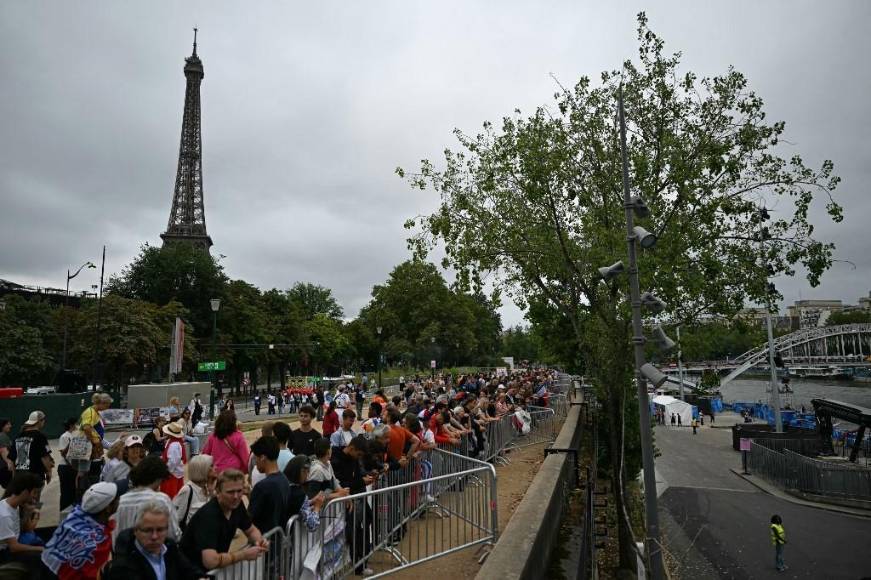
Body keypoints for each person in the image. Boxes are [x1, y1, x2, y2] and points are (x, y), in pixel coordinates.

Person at [179, 469, 269, 574]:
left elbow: (251, 530)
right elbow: (210, 561)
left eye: (239, 491)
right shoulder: (209, 516)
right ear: (218, 492)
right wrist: (244, 555)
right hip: (190, 572)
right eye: (230, 492)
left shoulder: (237, 506)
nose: (236, 497)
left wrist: (260, 542)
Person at [104, 500, 204, 580]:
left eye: (160, 530)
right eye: (148, 530)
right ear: (135, 530)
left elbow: (189, 571)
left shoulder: (169, 547)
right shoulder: (123, 564)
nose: (154, 537)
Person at [42, 481, 119, 579]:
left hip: (49, 571)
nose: (120, 500)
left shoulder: (74, 515)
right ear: (108, 508)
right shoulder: (100, 543)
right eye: (117, 498)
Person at [331, 436, 374, 576]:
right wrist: (361, 481)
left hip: (359, 500)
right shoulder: (336, 459)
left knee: (364, 529)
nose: (358, 457)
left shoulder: (354, 458)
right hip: (348, 504)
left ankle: (362, 563)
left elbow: (357, 476)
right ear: (352, 448)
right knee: (354, 535)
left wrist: (367, 475)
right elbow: (342, 484)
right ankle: (358, 566)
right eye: (359, 454)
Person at [114, 455, 181, 542]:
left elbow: (114, 534)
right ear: (158, 478)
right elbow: (173, 534)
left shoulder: (121, 501)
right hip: (154, 550)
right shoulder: (161, 500)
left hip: (124, 552)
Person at [249, 437, 292, 535]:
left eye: (256, 458)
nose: (255, 463)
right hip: (279, 538)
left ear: (263, 457)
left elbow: (250, 517)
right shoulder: (284, 479)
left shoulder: (262, 487)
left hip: (265, 541)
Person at [0, 472, 44, 565]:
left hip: (15, 544)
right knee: (41, 558)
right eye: (34, 492)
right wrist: (41, 549)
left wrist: (28, 512)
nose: (35, 497)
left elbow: (28, 528)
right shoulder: (4, 514)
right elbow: (14, 547)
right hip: (5, 554)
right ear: (25, 492)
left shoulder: (16, 505)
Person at [172, 454, 215, 532]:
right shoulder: (187, 490)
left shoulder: (208, 488)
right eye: (211, 466)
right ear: (202, 469)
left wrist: (211, 490)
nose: (215, 468)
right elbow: (176, 519)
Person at [12, 411, 53, 486]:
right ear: (39, 421)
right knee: (34, 497)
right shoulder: (40, 436)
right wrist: (49, 471)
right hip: (35, 476)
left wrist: (14, 476)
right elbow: (45, 457)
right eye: (43, 420)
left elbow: (12, 459)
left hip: (20, 476)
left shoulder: (18, 436)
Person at [56, 417, 79, 511]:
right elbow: (63, 453)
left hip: (72, 467)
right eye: (75, 424)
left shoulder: (72, 436)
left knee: (73, 492)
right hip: (66, 467)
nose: (77, 426)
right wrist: (73, 466)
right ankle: (64, 512)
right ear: (71, 425)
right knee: (66, 492)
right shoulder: (65, 436)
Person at [0, 418, 14, 489]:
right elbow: (3, 450)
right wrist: (9, 463)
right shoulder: (2, 436)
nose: (10, 426)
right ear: (2, 426)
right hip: (4, 468)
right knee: (10, 489)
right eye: (8, 424)